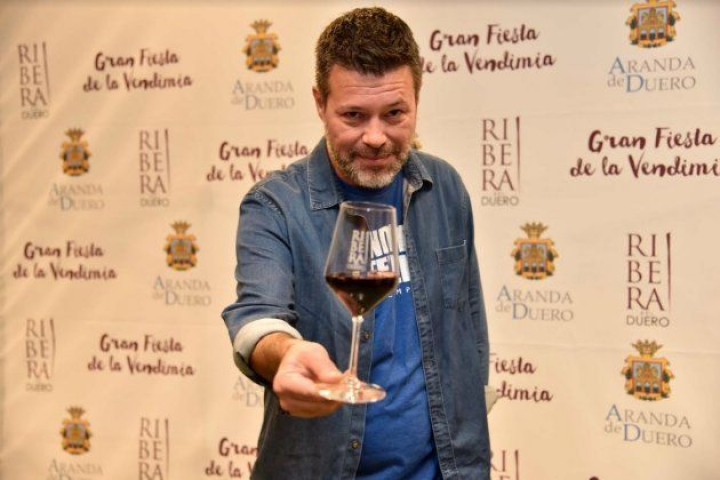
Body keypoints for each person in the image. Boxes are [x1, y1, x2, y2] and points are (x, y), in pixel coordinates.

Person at [222, 7, 490, 479]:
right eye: (353, 115)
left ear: (417, 98)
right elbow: (257, 320)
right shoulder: (275, 205)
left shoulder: (444, 187)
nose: (376, 137)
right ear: (319, 103)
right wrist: (286, 353)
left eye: (394, 114)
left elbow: (469, 323)